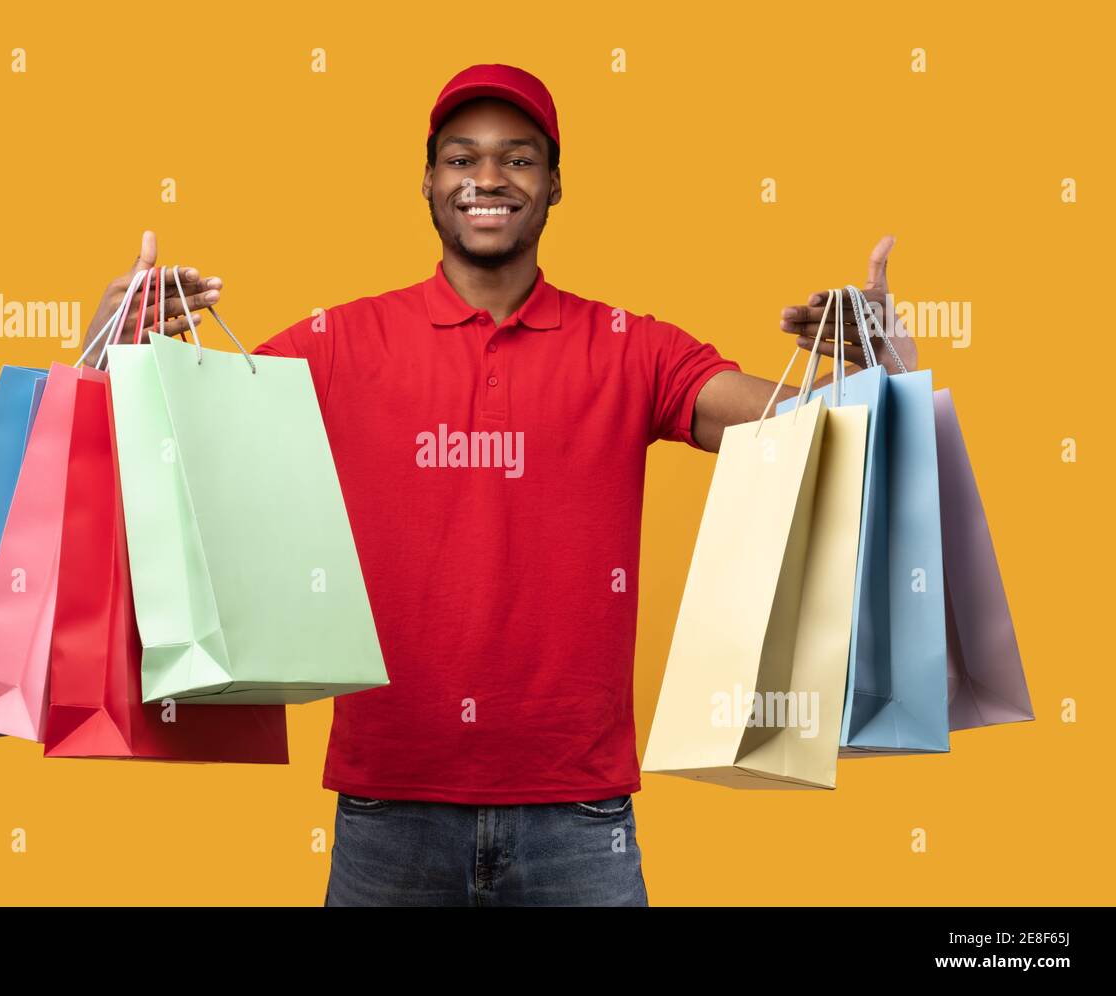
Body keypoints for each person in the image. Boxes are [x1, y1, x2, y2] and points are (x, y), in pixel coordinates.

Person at [79, 64, 917, 907]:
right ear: (429, 183)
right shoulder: (340, 342)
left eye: (518, 159)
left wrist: (882, 373)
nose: (487, 179)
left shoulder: (632, 347)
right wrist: (108, 351)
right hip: (387, 807)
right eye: (461, 158)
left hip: (582, 813)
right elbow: (184, 450)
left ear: (554, 185)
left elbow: (795, 431)